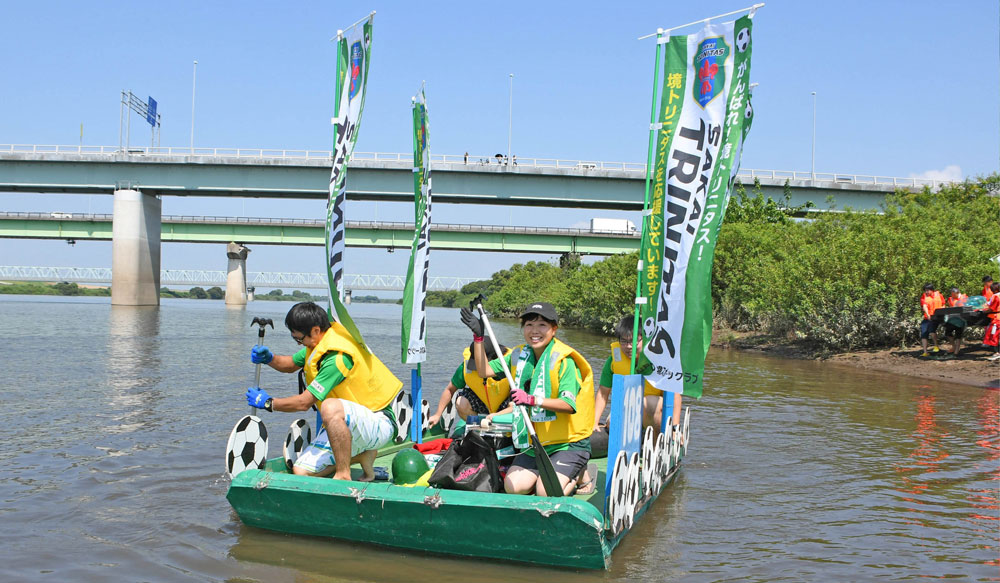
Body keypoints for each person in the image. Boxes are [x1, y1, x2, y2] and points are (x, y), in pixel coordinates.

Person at [246, 302, 402, 481]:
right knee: (301, 471)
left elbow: (304, 402)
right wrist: (270, 358)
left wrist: (269, 403)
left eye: (299, 339)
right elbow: (290, 364)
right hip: (351, 423)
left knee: (329, 406)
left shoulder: (337, 358)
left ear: (315, 330)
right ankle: (360, 457)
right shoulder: (317, 345)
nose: (299, 343)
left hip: (379, 423)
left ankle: (343, 474)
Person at [461, 301, 594, 496]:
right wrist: (479, 338)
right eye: (529, 325)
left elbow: (568, 404)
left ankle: (580, 474)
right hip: (536, 442)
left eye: (542, 325)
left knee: (545, 492)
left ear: (554, 329)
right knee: (513, 487)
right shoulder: (518, 354)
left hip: (568, 442)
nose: (535, 331)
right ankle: (549, 473)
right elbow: (484, 370)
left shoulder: (565, 361)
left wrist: (532, 400)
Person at [592, 315, 681, 453]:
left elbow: (675, 395)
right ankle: (631, 448)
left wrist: (675, 427)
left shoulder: (659, 360)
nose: (628, 346)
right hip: (628, 409)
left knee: (648, 403)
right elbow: (603, 393)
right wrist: (594, 421)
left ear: (644, 339)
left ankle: (656, 449)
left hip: (655, 410)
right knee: (611, 422)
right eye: (624, 341)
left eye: (634, 341)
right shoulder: (613, 360)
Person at [427, 337, 513, 427]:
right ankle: (480, 425)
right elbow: (450, 389)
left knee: (514, 400)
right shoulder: (466, 366)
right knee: (461, 401)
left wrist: (497, 415)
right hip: (484, 404)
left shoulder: (509, 362)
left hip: (506, 406)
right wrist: (437, 415)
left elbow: (519, 400)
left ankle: (500, 424)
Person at [942, 287, 969, 356]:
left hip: (961, 319)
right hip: (952, 319)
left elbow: (968, 308)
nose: (952, 296)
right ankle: (954, 347)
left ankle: (956, 352)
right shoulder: (950, 299)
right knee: (947, 333)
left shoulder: (964, 298)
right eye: (951, 294)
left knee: (958, 335)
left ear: (957, 293)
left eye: (953, 294)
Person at [919, 284, 944, 357]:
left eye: (927, 290)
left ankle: (936, 346)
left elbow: (943, 305)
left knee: (932, 330)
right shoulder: (924, 296)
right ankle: (925, 352)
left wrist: (941, 314)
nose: (926, 292)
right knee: (924, 333)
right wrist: (928, 314)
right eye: (925, 290)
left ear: (932, 290)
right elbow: (924, 306)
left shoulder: (939, 295)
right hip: (927, 317)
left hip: (936, 317)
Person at [984, 282, 1000, 360]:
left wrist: (984, 311)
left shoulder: (996, 297)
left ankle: (997, 353)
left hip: (997, 319)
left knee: (994, 335)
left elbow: (992, 308)